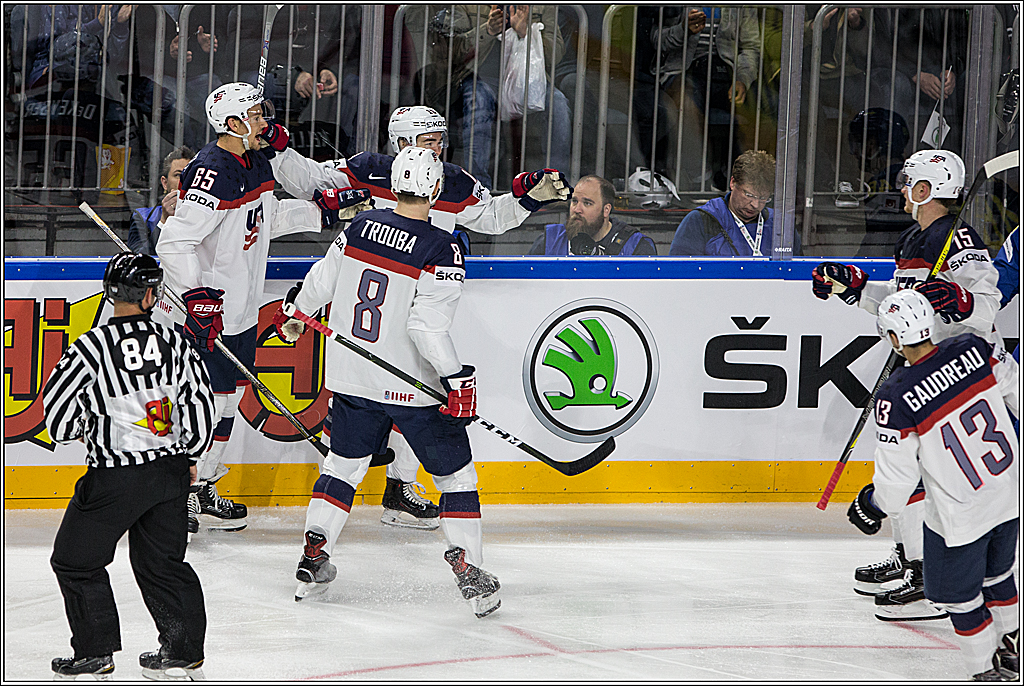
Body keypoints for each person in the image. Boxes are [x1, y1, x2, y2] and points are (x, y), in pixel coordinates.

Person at [261, 104, 570, 530]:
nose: (439, 147)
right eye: (430, 140)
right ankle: (352, 487)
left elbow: (493, 217)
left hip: (418, 305)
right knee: (388, 403)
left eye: (441, 139)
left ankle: (397, 487)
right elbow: (310, 180)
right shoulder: (367, 171)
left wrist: (528, 198)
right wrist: (278, 150)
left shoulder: (453, 181)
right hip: (369, 313)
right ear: (402, 143)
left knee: (414, 391)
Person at [276, 147, 501, 618]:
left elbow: (320, 280)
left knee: (342, 468)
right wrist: (456, 377)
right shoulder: (443, 244)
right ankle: (470, 570)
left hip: (351, 377)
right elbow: (425, 327)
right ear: (436, 190)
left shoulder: (357, 227)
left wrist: (296, 315)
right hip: (410, 386)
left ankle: (314, 554)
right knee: (455, 476)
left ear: (394, 185)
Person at [156, 82, 370, 536]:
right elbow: (175, 241)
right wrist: (196, 296)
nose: (264, 123)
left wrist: (323, 213)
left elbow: (265, 219)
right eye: (254, 116)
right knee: (202, 408)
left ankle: (203, 486)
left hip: (239, 310)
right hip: (207, 312)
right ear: (231, 124)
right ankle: (177, 495)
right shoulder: (212, 171)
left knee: (228, 405)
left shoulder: (254, 161)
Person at [811, 148, 1004, 622]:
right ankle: (911, 555)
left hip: (950, 372)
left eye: (907, 182)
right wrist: (853, 289)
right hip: (921, 365)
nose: (900, 190)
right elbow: (907, 306)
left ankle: (928, 575)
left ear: (925, 190)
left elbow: (986, 303)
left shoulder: (956, 238)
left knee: (917, 471)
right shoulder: (915, 238)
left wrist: (958, 297)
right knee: (900, 464)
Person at [43, 253, 215, 680]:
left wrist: (84, 428)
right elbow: (201, 405)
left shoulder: (90, 347)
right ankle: (183, 651)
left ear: (109, 292)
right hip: (170, 474)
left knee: (75, 561)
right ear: (152, 295)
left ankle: (95, 652)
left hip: (113, 478)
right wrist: (190, 455)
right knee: (163, 565)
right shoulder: (177, 342)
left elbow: (58, 417)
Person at [849, 288, 1018, 680]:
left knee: (958, 598)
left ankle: (985, 672)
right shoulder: (974, 348)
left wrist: (871, 505)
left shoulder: (897, 396)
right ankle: (1014, 648)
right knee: (998, 576)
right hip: (1008, 493)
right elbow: (1015, 387)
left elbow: (898, 484)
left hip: (959, 514)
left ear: (893, 338)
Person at [669, 150, 796, 256]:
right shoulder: (701, 220)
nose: (755, 205)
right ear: (733, 183)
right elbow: (678, 273)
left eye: (763, 198)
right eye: (749, 195)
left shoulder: (781, 225)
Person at [529, 175, 657, 255]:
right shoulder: (550, 240)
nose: (577, 209)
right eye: (574, 201)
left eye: (587, 203)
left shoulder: (635, 246)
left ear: (606, 210)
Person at [128, 147, 195, 255]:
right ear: (164, 183)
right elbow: (140, 260)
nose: (184, 181)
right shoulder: (144, 217)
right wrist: (163, 221)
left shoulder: (209, 216)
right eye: (178, 175)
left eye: (190, 175)